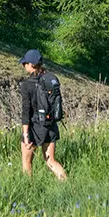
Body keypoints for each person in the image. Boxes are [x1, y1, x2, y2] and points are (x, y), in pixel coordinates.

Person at [17, 49, 67, 179]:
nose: (23, 65)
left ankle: (28, 188)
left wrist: (25, 134)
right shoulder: (50, 79)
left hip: (34, 127)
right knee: (51, 161)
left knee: (27, 162)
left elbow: (26, 111)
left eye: (25, 63)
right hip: (50, 125)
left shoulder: (26, 85)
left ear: (31, 64)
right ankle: (67, 184)